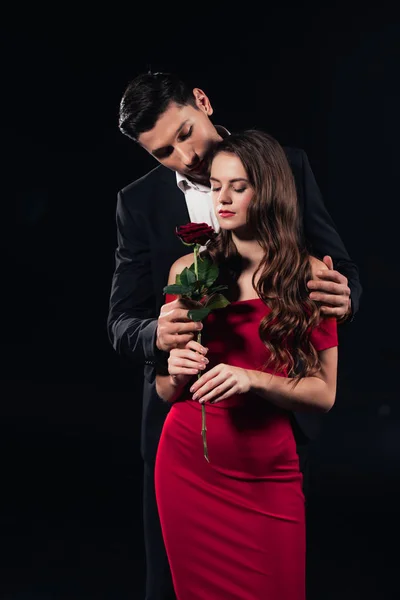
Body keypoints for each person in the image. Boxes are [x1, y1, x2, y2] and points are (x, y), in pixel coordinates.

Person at [107, 72, 362, 600]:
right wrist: (160, 332)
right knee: (171, 586)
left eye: (184, 133)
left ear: (201, 101)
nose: (183, 157)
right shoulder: (137, 203)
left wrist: (346, 297)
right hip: (181, 420)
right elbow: (122, 319)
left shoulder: (285, 166)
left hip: (274, 419)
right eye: (162, 153)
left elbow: (339, 268)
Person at [154, 129, 338, 599]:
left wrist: (251, 378)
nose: (224, 199)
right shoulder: (188, 271)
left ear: (269, 188)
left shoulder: (312, 275)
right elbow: (164, 391)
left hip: (267, 475)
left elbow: (323, 394)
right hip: (187, 466)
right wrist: (175, 366)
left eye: (240, 186)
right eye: (216, 186)